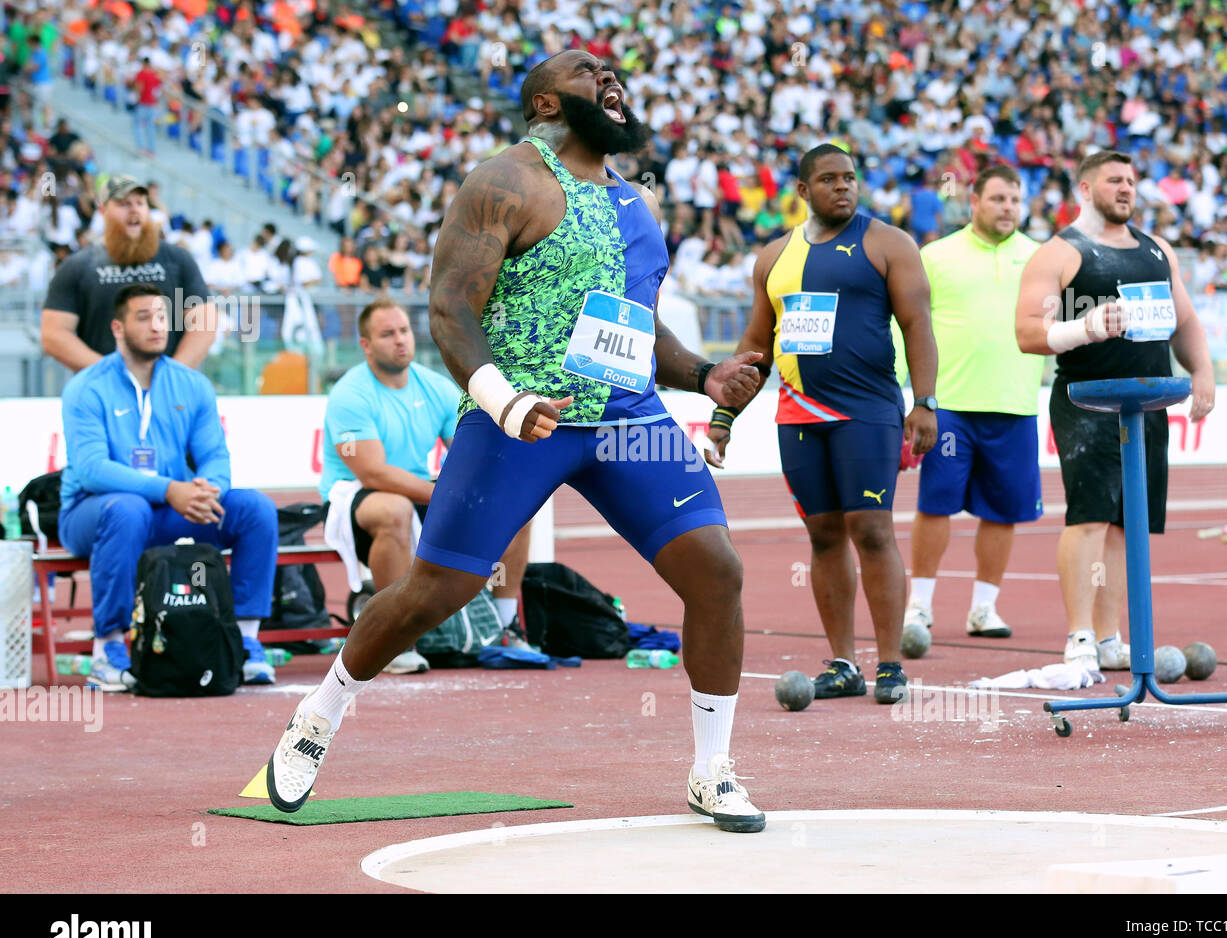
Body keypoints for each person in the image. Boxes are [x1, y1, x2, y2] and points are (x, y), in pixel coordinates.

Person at [264, 50, 768, 833]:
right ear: (543, 104)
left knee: (718, 572)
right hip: (522, 416)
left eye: (612, 69)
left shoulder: (634, 202)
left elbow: (638, 329)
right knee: (438, 592)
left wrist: (703, 374)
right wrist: (504, 400)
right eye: (585, 69)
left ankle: (712, 771)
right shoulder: (506, 181)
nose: (608, 76)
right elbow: (450, 310)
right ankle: (316, 718)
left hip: (626, 419)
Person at [709, 144, 938, 705]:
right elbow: (755, 347)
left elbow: (918, 326)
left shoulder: (888, 244)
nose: (844, 187)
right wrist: (723, 415)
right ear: (803, 192)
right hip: (798, 415)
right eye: (830, 179)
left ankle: (889, 665)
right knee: (824, 534)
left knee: (872, 529)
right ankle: (843, 664)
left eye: (851, 178)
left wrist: (926, 402)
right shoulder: (772, 257)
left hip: (868, 411)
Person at [1015, 150, 1215, 670]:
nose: (1125, 188)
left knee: (1127, 525)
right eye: (1113, 181)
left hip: (1147, 402)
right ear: (1085, 189)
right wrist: (1084, 327)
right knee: (1089, 517)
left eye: (1130, 180)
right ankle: (1079, 638)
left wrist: (1203, 372)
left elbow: (1185, 319)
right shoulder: (1059, 253)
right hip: (1088, 401)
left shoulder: (1157, 251)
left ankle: (1109, 639)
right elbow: (1027, 333)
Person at [58, 283, 279, 690]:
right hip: (92, 514)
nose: (157, 325)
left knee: (255, 510)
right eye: (144, 317)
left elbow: (215, 454)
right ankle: (107, 648)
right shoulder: (86, 387)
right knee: (127, 509)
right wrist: (170, 490)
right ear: (118, 328)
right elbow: (91, 469)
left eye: (162, 317)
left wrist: (209, 488)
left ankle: (245, 641)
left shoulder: (191, 385)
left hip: (167, 511)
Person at [319, 297, 534, 673]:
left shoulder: (433, 386)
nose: (400, 340)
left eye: (404, 331)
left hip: (418, 489)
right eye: (387, 334)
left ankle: (505, 627)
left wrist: (478, 490)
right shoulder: (350, 394)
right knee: (395, 510)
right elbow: (373, 473)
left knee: (513, 507)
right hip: (353, 497)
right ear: (366, 345)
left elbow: (471, 450)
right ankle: (396, 643)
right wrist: (443, 495)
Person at [904, 165, 1045, 639]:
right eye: (999, 199)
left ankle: (984, 608)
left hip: (1016, 405)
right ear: (974, 202)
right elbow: (906, 325)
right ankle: (918, 606)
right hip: (949, 405)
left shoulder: (1042, 258)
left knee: (1003, 511)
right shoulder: (935, 256)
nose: (1008, 208)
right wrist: (908, 393)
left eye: (1015, 200)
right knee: (935, 505)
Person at [41, 175, 218, 372]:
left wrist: (172, 375)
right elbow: (54, 333)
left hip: (168, 392)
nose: (134, 209)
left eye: (140, 203)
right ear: (102, 210)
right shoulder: (78, 266)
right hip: (103, 394)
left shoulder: (177, 259)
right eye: (124, 204)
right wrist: (110, 375)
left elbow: (204, 324)